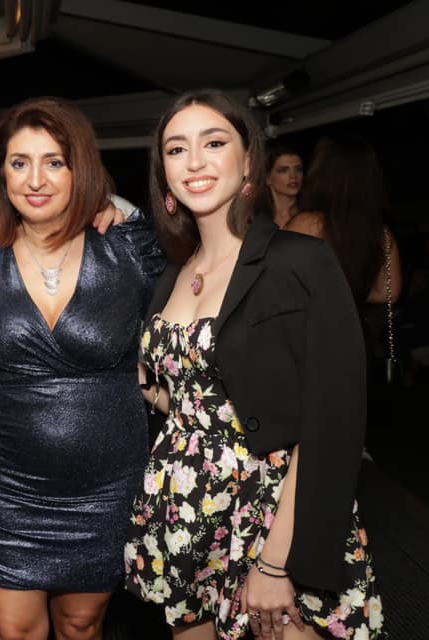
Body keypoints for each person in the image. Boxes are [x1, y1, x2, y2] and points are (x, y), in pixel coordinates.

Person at [123, 89, 383, 640]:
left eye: (214, 143)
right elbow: (189, 395)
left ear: (247, 162)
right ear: (163, 173)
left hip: (270, 512)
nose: (194, 161)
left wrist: (275, 563)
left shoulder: (299, 261)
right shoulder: (173, 272)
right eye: (176, 149)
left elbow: (332, 421)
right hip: (184, 508)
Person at [0, 97, 165, 640]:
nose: (35, 180)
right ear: (1, 174)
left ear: (79, 168)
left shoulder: (129, 251)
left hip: (106, 483)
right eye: (19, 163)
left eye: (54, 162)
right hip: (10, 484)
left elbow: (188, 324)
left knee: (82, 624)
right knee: (13, 628)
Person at [286, 135, 401, 304]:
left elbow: (281, 283)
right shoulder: (381, 233)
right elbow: (388, 293)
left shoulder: (308, 224)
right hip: (354, 319)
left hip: (314, 319)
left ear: (322, 174)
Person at [261, 142, 303, 228]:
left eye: (298, 169)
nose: (293, 176)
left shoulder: (311, 215)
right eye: (283, 170)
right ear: (267, 178)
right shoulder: (256, 216)